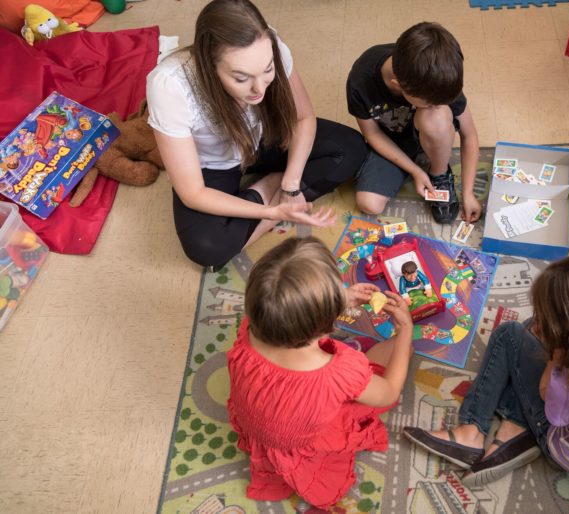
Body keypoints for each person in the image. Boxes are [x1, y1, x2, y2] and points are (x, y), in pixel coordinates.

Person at [403, 255, 569, 487]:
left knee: (509, 335)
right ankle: (513, 433)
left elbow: (548, 403)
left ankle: (471, 431)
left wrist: (554, 361)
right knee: (531, 326)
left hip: (567, 452)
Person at [147, 0, 368, 269]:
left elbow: (303, 117)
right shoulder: (170, 85)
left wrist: (291, 182)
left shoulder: (270, 46)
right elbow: (192, 192)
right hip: (214, 164)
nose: (258, 89)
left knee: (351, 148)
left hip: (265, 137)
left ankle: (277, 186)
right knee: (207, 248)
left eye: (267, 71)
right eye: (241, 78)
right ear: (208, 64)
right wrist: (271, 212)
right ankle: (268, 188)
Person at [226, 237, 414, 509]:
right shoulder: (338, 371)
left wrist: (340, 298)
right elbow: (388, 393)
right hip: (301, 439)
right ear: (327, 323)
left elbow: (286, 309)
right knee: (401, 351)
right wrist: (405, 328)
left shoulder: (250, 326)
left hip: (262, 421)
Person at [346, 22, 481, 224]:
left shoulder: (438, 76)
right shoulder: (360, 81)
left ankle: (440, 172)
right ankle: (421, 162)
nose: (439, 104)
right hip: (391, 141)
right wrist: (415, 170)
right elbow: (372, 134)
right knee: (369, 204)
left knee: (437, 117)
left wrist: (468, 193)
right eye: (431, 103)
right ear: (398, 86)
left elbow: (469, 135)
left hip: (430, 130)